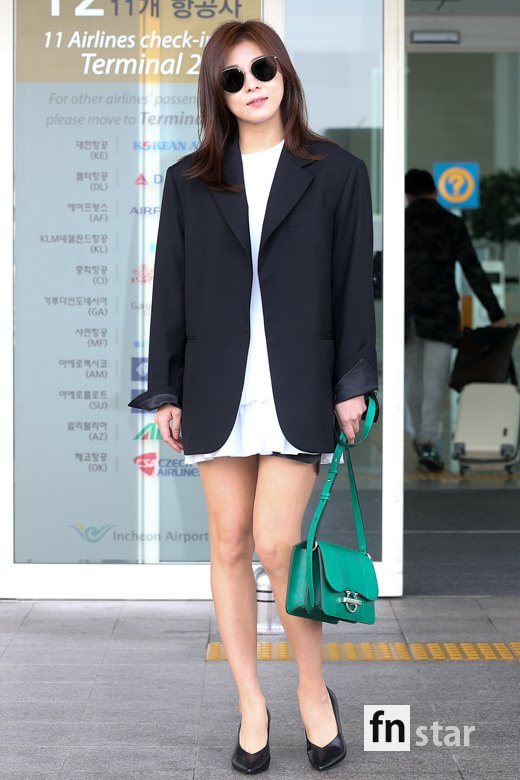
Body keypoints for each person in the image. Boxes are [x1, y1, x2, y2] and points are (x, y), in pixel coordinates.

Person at [129, 20, 378, 773]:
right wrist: (165, 387)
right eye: (232, 77)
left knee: (276, 543)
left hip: (298, 383)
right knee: (230, 540)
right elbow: (170, 288)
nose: (251, 85)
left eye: (261, 68)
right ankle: (249, 703)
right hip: (218, 383)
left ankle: (311, 690)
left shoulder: (337, 172)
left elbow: (352, 288)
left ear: (284, 72)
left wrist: (353, 384)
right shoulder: (189, 179)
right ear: (219, 93)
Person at [404, 169, 507, 471]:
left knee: (414, 379)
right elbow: (473, 270)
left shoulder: (402, 222)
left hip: (407, 314)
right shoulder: (451, 223)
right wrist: (496, 314)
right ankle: (428, 440)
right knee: (435, 380)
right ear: (435, 191)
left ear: (408, 195)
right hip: (440, 314)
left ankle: (420, 435)